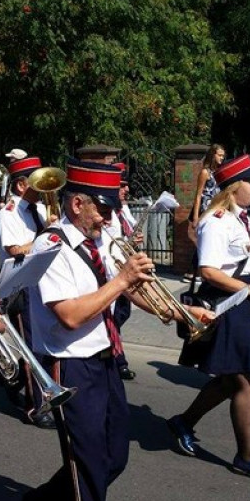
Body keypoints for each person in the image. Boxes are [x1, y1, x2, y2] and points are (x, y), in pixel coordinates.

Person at [21, 158, 212, 501]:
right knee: (89, 464)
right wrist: (122, 278)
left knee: (114, 456)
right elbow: (71, 315)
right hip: (69, 365)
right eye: (103, 209)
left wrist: (181, 312)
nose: (109, 219)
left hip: (104, 358)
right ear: (78, 205)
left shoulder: (98, 240)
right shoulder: (50, 246)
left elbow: (128, 293)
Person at [168, 154, 250, 482]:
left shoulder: (242, 219)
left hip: (246, 296)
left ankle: (184, 422)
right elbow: (208, 270)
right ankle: (246, 456)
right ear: (233, 187)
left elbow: (243, 258)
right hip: (231, 300)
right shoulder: (215, 220)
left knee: (242, 377)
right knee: (245, 379)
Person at [0, 155, 56, 429]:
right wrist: (47, 235)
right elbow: (15, 251)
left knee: (46, 342)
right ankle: (35, 407)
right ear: (21, 185)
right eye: (37, 182)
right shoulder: (8, 213)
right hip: (22, 286)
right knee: (32, 348)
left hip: (44, 283)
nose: (44, 188)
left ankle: (13, 377)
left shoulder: (39, 209)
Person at [107, 162, 141, 381]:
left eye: (126, 185)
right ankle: (118, 360)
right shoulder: (106, 211)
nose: (126, 190)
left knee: (122, 314)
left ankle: (112, 352)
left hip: (125, 269)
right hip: (112, 271)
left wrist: (135, 242)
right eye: (122, 185)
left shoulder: (124, 209)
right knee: (113, 317)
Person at [189, 143, 225, 225]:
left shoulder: (218, 172)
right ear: (213, 155)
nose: (222, 158)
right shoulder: (205, 172)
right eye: (219, 155)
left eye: (223, 156)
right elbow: (198, 195)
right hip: (205, 210)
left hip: (216, 210)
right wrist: (195, 217)